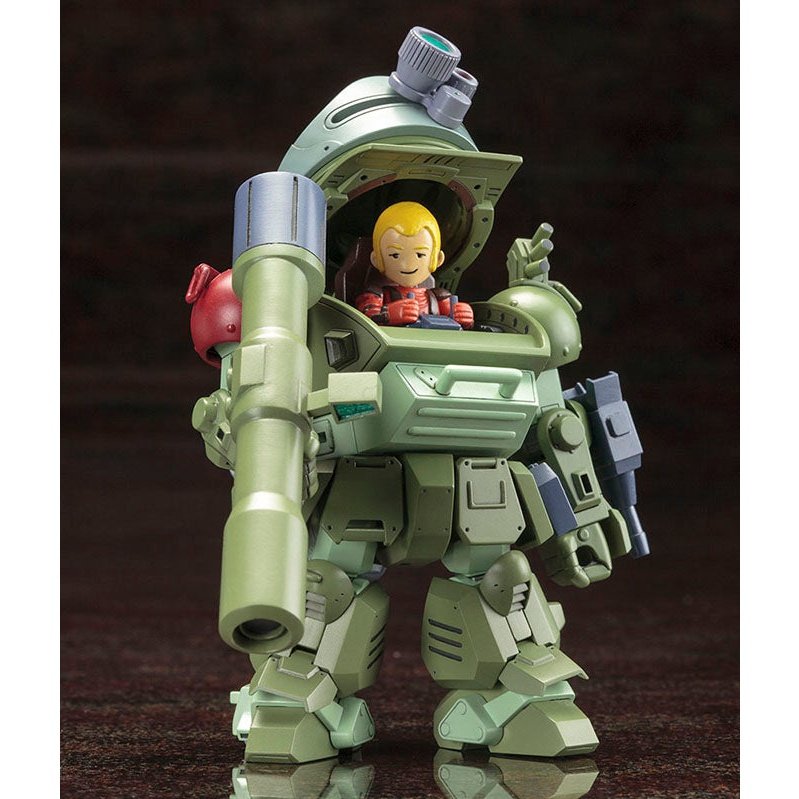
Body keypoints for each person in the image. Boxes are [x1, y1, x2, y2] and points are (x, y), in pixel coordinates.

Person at [354, 201, 474, 329]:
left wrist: (463, 315)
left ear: (438, 259)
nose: (407, 265)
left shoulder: (439, 297)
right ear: (376, 259)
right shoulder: (377, 295)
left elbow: (460, 324)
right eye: (395, 255)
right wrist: (388, 314)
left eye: (420, 255)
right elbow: (365, 317)